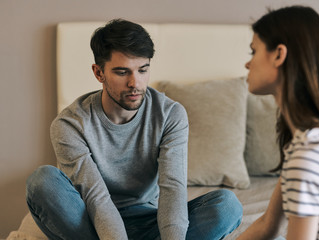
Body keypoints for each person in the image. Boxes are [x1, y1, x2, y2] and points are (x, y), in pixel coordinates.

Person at [26, 19, 242, 240]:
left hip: (150, 222)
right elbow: (96, 198)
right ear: (99, 73)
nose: (135, 83)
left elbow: (172, 189)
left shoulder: (170, 115)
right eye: (122, 72)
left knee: (226, 206)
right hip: (91, 223)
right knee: (42, 181)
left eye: (143, 70)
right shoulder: (70, 124)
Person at [238, 5, 319, 240]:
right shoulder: (313, 139)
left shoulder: (311, 152)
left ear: (278, 54)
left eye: (253, 51)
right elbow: (266, 226)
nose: (247, 63)